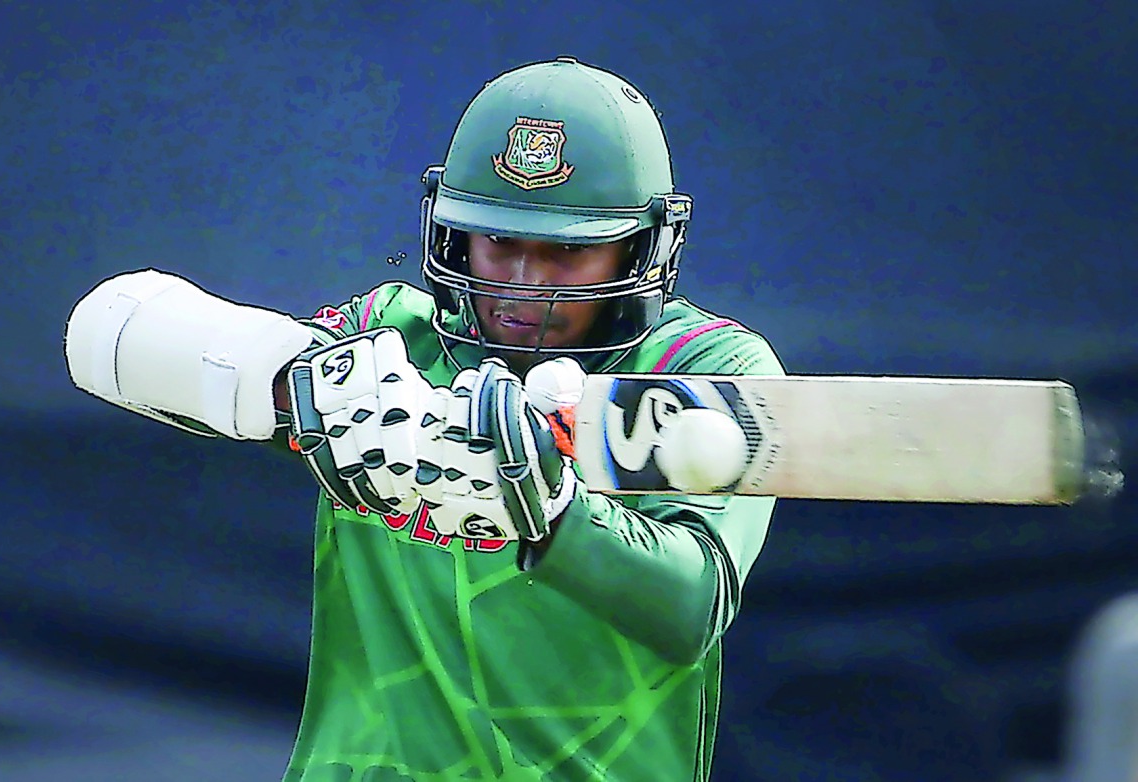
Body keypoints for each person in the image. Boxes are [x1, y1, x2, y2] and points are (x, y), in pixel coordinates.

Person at [65, 56, 785, 781]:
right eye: (499, 241)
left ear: (642, 246)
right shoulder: (390, 337)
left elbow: (690, 608)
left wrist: (553, 509)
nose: (522, 286)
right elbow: (109, 332)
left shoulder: (704, 366)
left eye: (567, 251)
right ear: (451, 229)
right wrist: (292, 382)